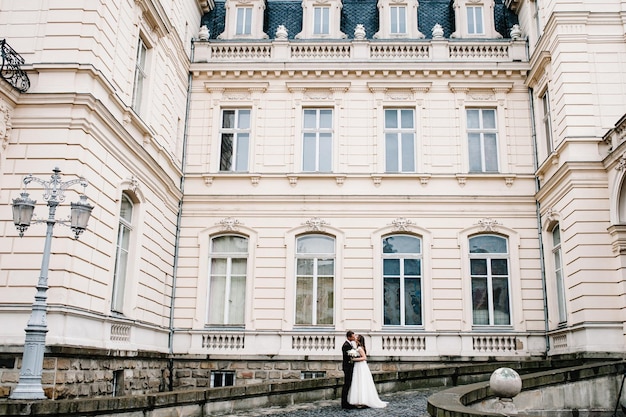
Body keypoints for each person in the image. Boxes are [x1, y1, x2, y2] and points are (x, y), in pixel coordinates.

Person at [347, 334, 388, 409]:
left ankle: (362, 400)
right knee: (358, 382)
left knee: (361, 381)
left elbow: (364, 357)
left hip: (360, 366)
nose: (354, 337)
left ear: (358, 340)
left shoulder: (359, 348)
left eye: (356, 337)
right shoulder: (357, 348)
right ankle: (359, 400)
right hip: (358, 366)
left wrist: (354, 359)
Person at [341, 330, 357, 409]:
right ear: (349, 337)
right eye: (353, 336)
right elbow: (349, 355)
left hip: (349, 367)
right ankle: (344, 403)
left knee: (348, 384)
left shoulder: (349, 344)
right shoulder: (346, 345)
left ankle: (346, 401)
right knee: (346, 384)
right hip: (347, 367)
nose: (354, 338)